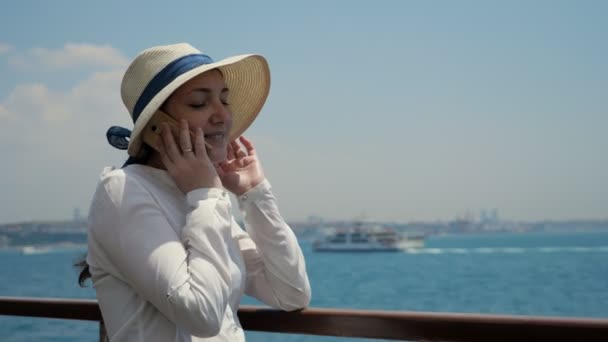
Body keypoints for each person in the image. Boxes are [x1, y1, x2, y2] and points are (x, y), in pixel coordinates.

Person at [81, 43, 311, 341]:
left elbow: (291, 293)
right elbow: (202, 315)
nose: (222, 116)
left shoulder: (200, 198)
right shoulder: (124, 189)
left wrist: (254, 195)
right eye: (199, 104)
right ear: (157, 125)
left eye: (224, 101)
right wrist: (205, 194)